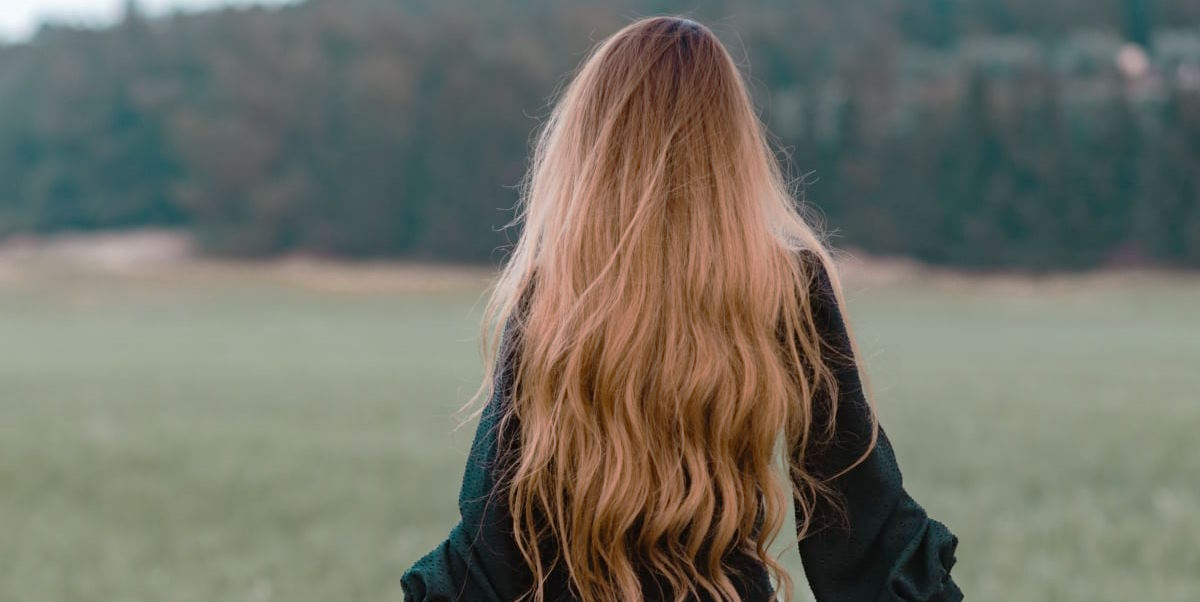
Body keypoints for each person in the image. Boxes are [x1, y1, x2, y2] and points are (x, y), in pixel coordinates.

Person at [401, 15, 962, 602]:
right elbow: (862, 527)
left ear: (591, 140)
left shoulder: (555, 295)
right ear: (731, 145)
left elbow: (491, 546)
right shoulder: (784, 284)